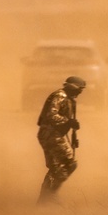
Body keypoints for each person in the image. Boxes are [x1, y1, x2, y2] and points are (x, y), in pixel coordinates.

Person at [36, 76, 84, 204]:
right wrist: (68, 122)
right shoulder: (61, 96)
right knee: (70, 163)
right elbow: (51, 115)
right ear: (72, 87)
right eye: (79, 89)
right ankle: (50, 194)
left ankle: (45, 198)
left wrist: (70, 125)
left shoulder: (68, 98)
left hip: (50, 134)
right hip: (51, 134)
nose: (80, 92)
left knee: (54, 167)